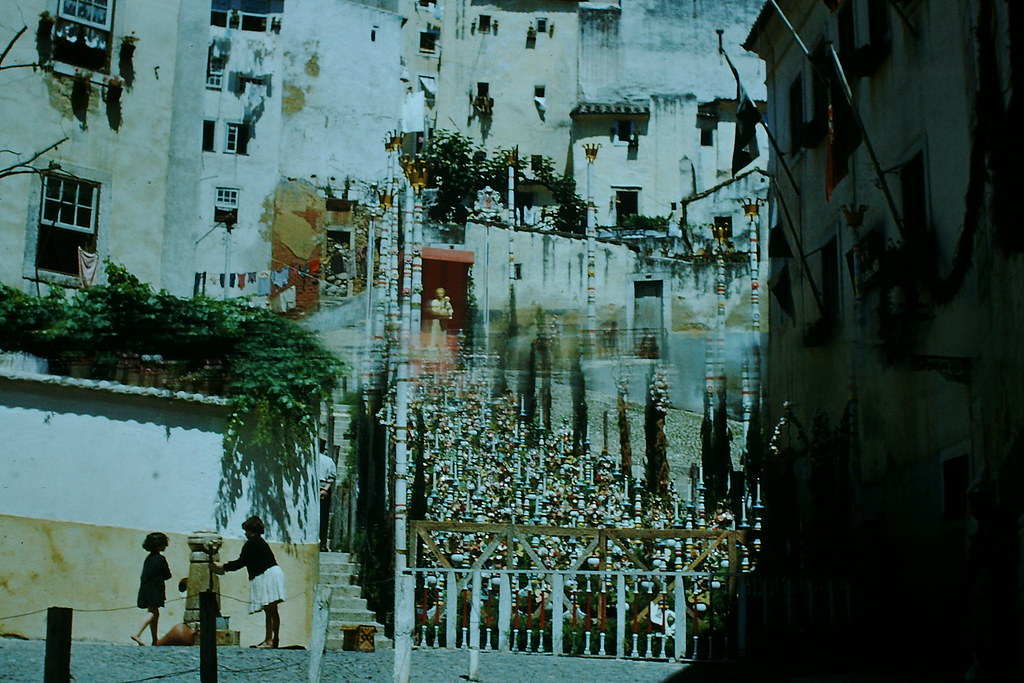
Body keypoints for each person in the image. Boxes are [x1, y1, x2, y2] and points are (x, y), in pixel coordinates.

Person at [213, 515, 285, 648]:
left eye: (246, 531)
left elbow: (241, 562)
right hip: (272, 573)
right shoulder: (259, 542)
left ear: (251, 530)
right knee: (271, 610)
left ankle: (270, 640)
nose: (245, 534)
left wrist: (223, 566)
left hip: (267, 575)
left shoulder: (252, 543)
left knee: (270, 610)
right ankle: (272, 639)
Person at [132, 532, 171, 645]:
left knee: (154, 613)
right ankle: (137, 633)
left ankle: (155, 639)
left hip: (146, 589)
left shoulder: (148, 559)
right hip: (155, 590)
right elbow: (167, 575)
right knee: (152, 614)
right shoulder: (160, 559)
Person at [317, 449, 337, 551]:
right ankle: (323, 544)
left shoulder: (313, 459)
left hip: (317, 486)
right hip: (324, 487)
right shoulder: (329, 460)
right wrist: (325, 489)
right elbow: (332, 477)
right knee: (323, 517)